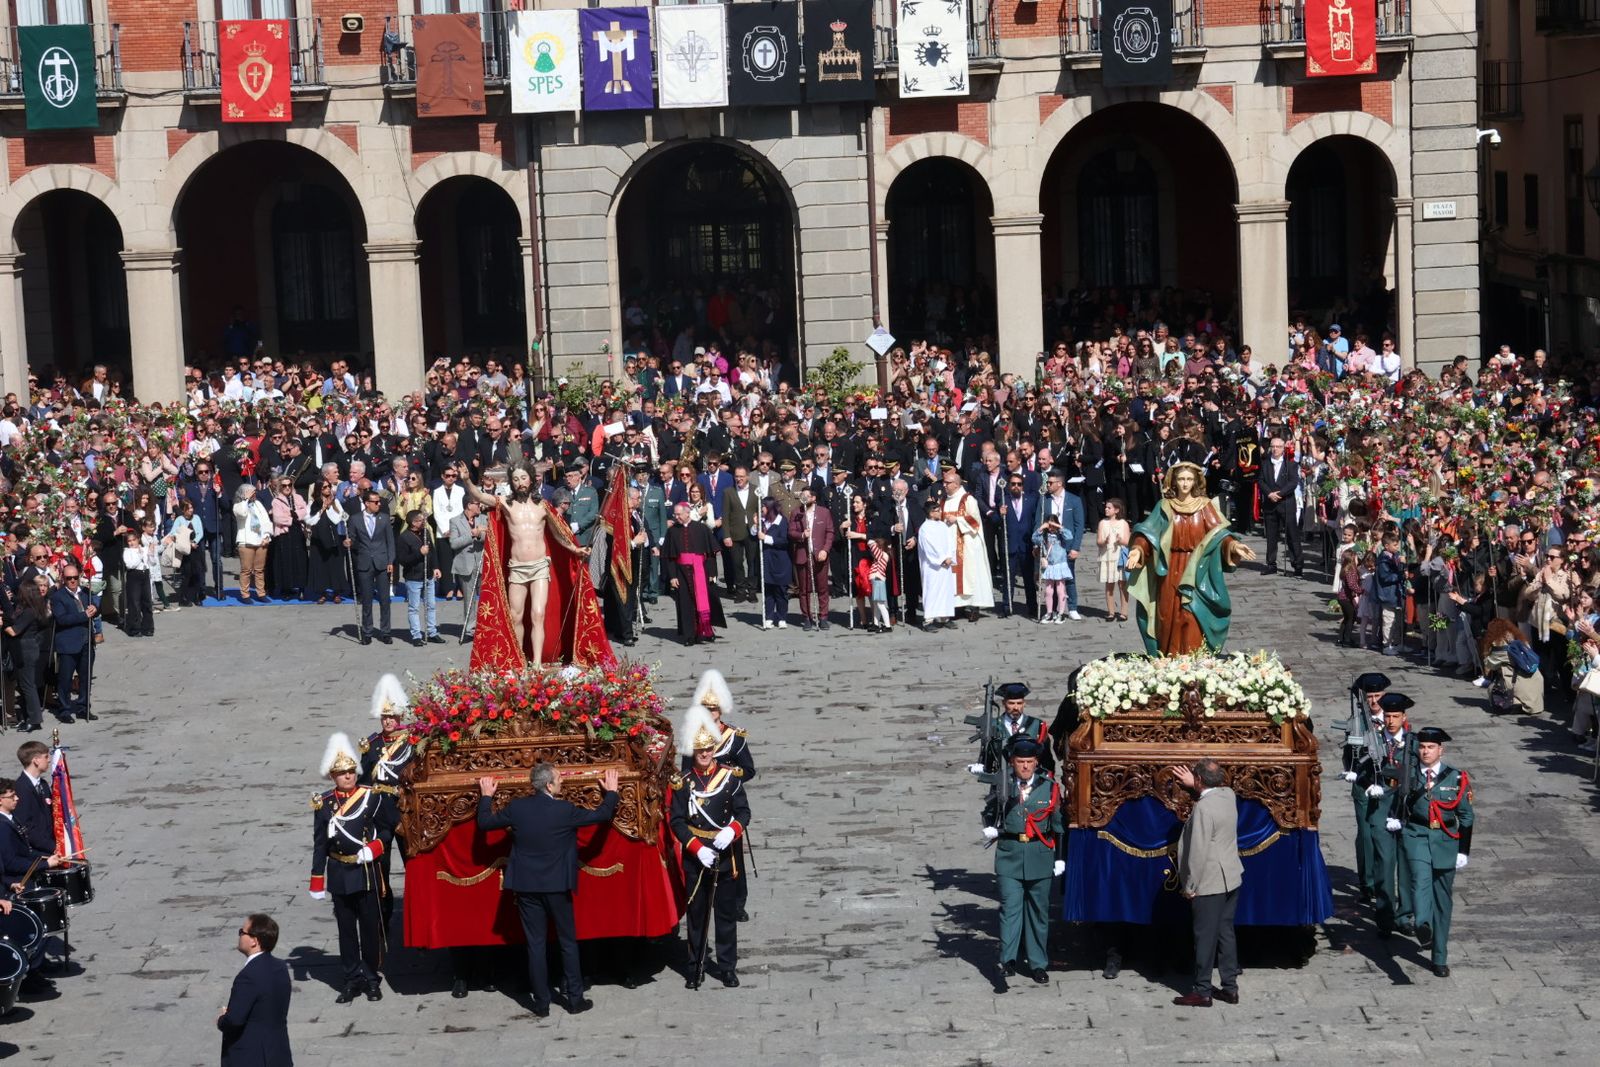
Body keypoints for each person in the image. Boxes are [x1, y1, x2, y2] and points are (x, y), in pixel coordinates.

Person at [475, 763, 621, 1016]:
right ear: (549, 785)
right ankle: (575, 999)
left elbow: (485, 822)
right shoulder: (564, 810)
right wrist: (612, 792)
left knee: (535, 945)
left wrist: (486, 796)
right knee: (567, 942)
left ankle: (541, 1003)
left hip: (527, 887)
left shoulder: (518, 808)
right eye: (559, 779)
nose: (562, 782)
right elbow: (602, 815)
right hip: (557, 887)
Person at [1125, 462, 1255, 655]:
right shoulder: (1164, 506)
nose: (1185, 484)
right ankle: (1169, 658)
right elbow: (1148, 532)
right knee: (1168, 614)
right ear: (1174, 481)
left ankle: (1195, 660)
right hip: (1169, 569)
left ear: (1195, 481)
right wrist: (1138, 549)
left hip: (1197, 569)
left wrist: (1234, 545)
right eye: (1181, 479)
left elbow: (1219, 533)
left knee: (1191, 614)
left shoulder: (1204, 506)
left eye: (1189, 479)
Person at [671, 706, 751, 989]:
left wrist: (732, 831)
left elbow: (743, 813)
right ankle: (696, 967)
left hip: (724, 853)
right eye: (699, 750)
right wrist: (695, 848)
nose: (704, 754)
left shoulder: (729, 780)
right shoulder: (683, 783)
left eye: (708, 749)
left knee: (726, 915)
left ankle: (727, 967)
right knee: (697, 916)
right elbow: (677, 822)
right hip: (698, 857)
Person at [308, 733, 387, 1004]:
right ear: (333, 776)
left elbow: (387, 830)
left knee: (368, 928)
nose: (349, 777)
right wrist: (317, 880)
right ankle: (351, 978)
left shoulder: (371, 797)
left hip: (365, 872)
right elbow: (320, 845)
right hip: (340, 873)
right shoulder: (325, 804)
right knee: (346, 930)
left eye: (352, 772)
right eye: (343, 773)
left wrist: (374, 848)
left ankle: (372, 978)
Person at [979, 736, 1062, 986]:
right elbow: (990, 813)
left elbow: (1058, 826)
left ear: (1036, 762)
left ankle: (1038, 963)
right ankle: (1009, 960)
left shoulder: (1050, 788)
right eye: (1020, 761)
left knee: (1038, 913)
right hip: (1010, 855)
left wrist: (1060, 859)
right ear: (1012, 762)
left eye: (1029, 761)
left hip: (1039, 855)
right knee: (1009, 909)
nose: (1025, 766)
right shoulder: (1002, 785)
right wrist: (990, 827)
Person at [1400, 726, 1474, 977]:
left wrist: (1464, 850)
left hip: (1446, 840)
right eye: (1422, 747)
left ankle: (1439, 956)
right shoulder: (1409, 775)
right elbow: (1398, 803)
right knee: (1420, 881)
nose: (1425, 751)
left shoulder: (1456, 778)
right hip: (1417, 836)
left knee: (1443, 900)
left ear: (1440, 750)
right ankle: (1422, 924)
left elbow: (1466, 816)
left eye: (1431, 747)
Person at [1171, 757, 1243, 1007]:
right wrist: (1196, 785)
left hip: (1209, 882)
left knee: (1204, 937)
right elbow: (1214, 789)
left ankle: (1202, 991)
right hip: (1231, 877)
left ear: (1199, 780)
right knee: (1225, 933)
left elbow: (1198, 852)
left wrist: (1190, 886)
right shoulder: (1228, 795)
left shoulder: (1204, 809)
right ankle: (1230, 987)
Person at [359, 675, 414, 933]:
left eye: (392, 717)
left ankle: (415, 918)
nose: (388, 721)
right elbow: (363, 782)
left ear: (399, 717)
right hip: (379, 812)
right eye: (384, 717)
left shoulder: (411, 743)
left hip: (402, 809)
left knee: (411, 864)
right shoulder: (371, 745)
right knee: (381, 868)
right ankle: (384, 915)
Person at [1368, 692, 1420, 937]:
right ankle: (1385, 914)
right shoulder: (1374, 741)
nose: (1390, 721)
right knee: (1385, 863)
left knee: (1407, 864)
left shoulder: (1415, 743)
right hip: (1380, 809)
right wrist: (1368, 783)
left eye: (1395, 716)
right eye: (1387, 716)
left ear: (1404, 717)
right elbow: (1358, 768)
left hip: (1406, 810)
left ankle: (1405, 915)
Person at [1339, 671, 1390, 906]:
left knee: (1385, 834)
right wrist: (1352, 772)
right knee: (1366, 834)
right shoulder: (1357, 721)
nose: (1373, 701)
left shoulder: (1393, 717)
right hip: (1362, 783)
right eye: (1369, 696)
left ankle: (1384, 881)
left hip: (1387, 785)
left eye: (1377, 695)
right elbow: (1348, 753)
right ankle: (1367, 883)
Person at [217, 913, 294, 1067]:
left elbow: (235, 1020)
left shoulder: (248, 976)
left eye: (242, 932)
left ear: (254, 941)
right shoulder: (280, 967)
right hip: (278, 1053)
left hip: (251, 1057)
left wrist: (222, 1020)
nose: (239, 936)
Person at [663, 501, 725, 645]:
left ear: (687, 513)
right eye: (675, 514)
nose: (676, 517)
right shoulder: (672, 531)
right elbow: (670, 557)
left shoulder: (701, 528)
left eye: (678, 514)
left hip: (700, 570)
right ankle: (689, 635)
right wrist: (672, 576)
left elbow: (710, 553)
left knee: (704, 601)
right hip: (681, 572)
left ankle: (706, 631)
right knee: (685, 603)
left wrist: (712, 572)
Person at [939, 467, 994, 620]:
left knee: (970, 575)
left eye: (947, 483)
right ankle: (956, 607)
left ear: (956, 484)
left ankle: (973, 607)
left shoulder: (968, 499)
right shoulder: (943, 500)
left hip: (967, 544)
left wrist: (957, 519)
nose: (944, 485)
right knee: (952, 576)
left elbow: (976, 522)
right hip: (949, 545)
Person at [345, 491, 396, 646]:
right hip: (365, 562)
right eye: (375, 502)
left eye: (379, 502)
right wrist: (348, 542)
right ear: (367, 503)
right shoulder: (355, 519)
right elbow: (352, 538)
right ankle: (367, 631)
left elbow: (390, 542)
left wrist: (390, 561)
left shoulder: (384, 518)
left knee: (384, 599)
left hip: (381, 562)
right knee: (367, 600)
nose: (378, 504)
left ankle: (385, 631)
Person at [49, 564, 99, 723]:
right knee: (65, 679)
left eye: (75, 578)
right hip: (68, 644)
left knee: (85, 678)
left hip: (86, 642)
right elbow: (62, 619)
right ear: (63, 579)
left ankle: (84, 708)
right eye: (69, 578)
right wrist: (84, 615)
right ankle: (64, 710)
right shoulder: (58, 597)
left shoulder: (85, 592)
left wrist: (95, 607)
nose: (72, 581)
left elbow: (97, 607)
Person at [969, 682, 1052, 777]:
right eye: (1011, 703)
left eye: (1019, 703)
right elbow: (988, 757)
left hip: (1030, 779)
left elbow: (1047, 759)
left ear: (1024, 703)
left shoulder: (1036, 725)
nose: (1016, 707)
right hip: (1001, 779)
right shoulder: (993, 725)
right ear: (1004, 703)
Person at [1035, 469, 1085, 621]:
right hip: (1050, 546)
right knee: (1051, 580)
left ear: (1059, 483)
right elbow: (1038, 521)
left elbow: (1079, 525)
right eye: (1047, 482)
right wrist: (1037, 544)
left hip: (1066, 545)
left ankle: (1072, 607)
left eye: (1050, 483)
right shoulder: (1045, 500)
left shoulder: (1074, 500)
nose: (1048, 485)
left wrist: (1076, 547)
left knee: (1068, 577)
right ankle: (1053, 610)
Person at [0, 776, 64, 891]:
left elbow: (27, 851)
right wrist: (45, 865)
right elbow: (11, 862)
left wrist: (49, 858)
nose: (17, 798)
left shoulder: (12, 817)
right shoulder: (2, 826)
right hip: (19, 883)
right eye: (12, 796)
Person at [5, 575, 52, 731]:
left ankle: (35, 719)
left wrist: (3, 625)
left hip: (27, 649)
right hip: (22, 649)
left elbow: (14, 631)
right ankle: (27, 716)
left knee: (28, 685)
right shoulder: (24, 608)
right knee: (24, 685)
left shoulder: (29, 612)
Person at [396, 509, 442, 647]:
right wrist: (419, 553)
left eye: (423, 520)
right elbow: (403, 560)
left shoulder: (426, 532)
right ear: (413, 522)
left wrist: (436, 567)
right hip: (413, 577)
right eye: (420, 520)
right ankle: (416, 635)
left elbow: (432, 551)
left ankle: (432, 632)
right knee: (414, 608)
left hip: (427, 575)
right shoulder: (404, 537)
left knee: (431, 605)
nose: (423, 522)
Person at [790, 485, 833, 631]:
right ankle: (806, 617)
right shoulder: (796, 513)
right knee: (804, 589)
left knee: (822, 588)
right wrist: (802, 535)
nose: (804, 498)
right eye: (802, 496)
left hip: (819, 555)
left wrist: (825, 550)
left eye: (806, 496)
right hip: (803, 555)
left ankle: (823, 617)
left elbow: (830, 532)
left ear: (813, 498)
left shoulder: (824, 512)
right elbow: (791, 532)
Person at [1258, 435, 1303, 577]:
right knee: (1271, 535)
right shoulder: (1265, 463)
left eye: (1278, 446)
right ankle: (1271, 564)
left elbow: (1293, 482)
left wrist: (1281, 493)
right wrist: (1269, 493)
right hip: (1270, 503)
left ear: (1283, 448)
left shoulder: (1290, 464)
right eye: (1273, 446)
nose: (1275, 449)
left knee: (1292, 534)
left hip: (1286, 503)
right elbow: (1260, 480)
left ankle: (1297, 565)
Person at [449, 496, 488, 642]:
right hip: (465, 565)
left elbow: (487, 536)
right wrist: (472, 534)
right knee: (469, 600)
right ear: (468, 505)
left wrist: (480, 535)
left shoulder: (483, 518)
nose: (480, 506)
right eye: (477, 504)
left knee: (485, 598)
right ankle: (470, 629)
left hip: (482, 564)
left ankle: (484, 628)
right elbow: (454, 543)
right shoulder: (455, 521)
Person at [917, 498, 957, 630]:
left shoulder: (942, 525)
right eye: (937, 510)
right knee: (932, 591)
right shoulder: (925, 528)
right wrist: (941, 559)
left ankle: (945, 617)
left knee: (946, 590)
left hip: (946, 565)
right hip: (932, 566)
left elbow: (950, 542)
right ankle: (928, 620)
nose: (940, 512)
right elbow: (929, 547)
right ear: (930, 513)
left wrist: (950, 556)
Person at [13, 740, 56, 853]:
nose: (49, 760)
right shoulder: (21, 788)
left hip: (50, 843)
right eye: (46, 757)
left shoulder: (43, 784)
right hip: (38, 850)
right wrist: (52, 847)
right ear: (36, 761)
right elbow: (26, 826)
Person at [232, 484, 272, 604]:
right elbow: (242, 514)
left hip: (261, 540)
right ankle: (245, 594)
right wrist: (246, 499)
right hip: (246, 542)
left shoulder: (258, 504)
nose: (254, 494)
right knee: (246, 570)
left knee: (259, 570)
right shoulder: (238, 506)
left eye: (254, 492)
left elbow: (266, 520)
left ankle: (261, 593)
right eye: (251, 492)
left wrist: (267, 536)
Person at [758, 497, 792, 629]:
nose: (761, 509)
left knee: (781, 591)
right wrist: (756, 527)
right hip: (767, 560)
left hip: (781, 561)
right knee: (768, 591)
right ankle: (769, 616)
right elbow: (754, 535)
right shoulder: (762, 522)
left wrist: (766, 538)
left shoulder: (781, 521)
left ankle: (782, 617)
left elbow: (784, 541)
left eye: (763, 506)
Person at [1097, 497, 1131, 622]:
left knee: (1123, 585)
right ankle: (1110, 612)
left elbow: (1128, 541)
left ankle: (1124, 612)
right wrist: (1104, 542)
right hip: (1107, 557)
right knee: (1109, 586)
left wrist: (1120, 540)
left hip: (1119, 558)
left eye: (1109, 507)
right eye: (1106, 507)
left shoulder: (1123, 523)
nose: (1106, 509)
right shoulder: (1102, 523)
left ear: (1116, 510)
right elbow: (1099, 541)